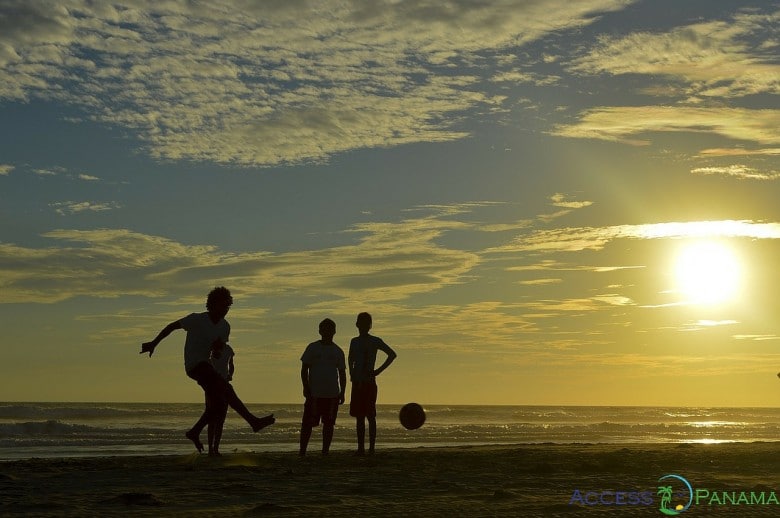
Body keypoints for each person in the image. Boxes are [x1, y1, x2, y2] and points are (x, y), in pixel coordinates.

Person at [140, 286, 274, 453]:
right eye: (222, 306)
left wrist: (217, 350)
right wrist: (154, 343)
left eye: (228, 307)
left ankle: (196, 432)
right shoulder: (197, 319)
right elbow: (172, 326)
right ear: (212, 304)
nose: (225, 310)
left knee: (220, 402)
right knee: (224, 392)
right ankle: (253, 422)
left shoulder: (225, 327)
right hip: (194, 365)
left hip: (207, 365)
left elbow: (216, 353)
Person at [348, 312, 397, 455]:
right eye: (361, 323)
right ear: (357, 324)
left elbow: (392, 354)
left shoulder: (375, 341)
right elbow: (350, 358)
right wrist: (352, 373)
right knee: (359, 417)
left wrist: (377, 371)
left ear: (369, 325)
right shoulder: (354, 341)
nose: (362, 326)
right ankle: (361, 448)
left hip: (369, 382)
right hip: (358, 382)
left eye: (365, 323)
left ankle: (371, 448)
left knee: (370, 415)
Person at [299, 318, 346, 456]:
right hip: (314, 393)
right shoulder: (312, 347)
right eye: (324, 329)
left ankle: (325, 451)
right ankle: (302, 451)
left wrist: (342, 392)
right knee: (307, 423)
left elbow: (342, 373)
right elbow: (304, 369)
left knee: (329, 424)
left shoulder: (338, 351)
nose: (327, 332)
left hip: (332, 394)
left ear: (334, 331)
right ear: (320, 331)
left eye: (330, 329)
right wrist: (305, 386)